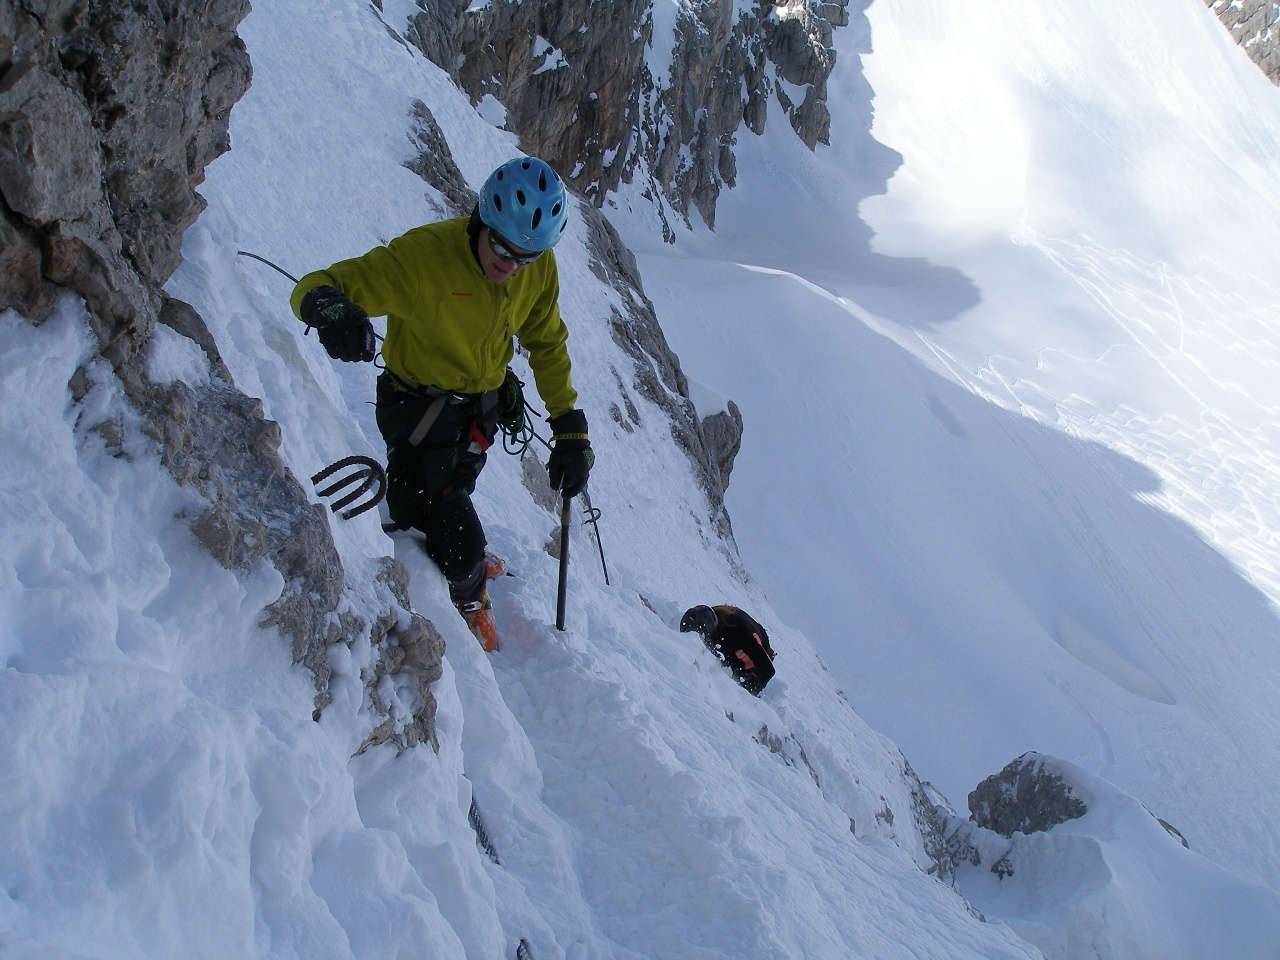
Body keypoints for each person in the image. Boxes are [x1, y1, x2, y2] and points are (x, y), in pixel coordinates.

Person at [290, 157, 593, 652]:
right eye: (501, 246)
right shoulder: (425, 259)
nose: (510, 264)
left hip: (479, 411)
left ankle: (464, 545)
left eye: (526, 256)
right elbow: (316, 286)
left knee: (454, 493)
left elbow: (547, 341)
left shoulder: (536, 270)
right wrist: (334, 312)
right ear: (483, 219)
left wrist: (569, 427)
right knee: (442, 531)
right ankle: (469, 587)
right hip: (415, 411)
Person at [680, 605, 777, 695]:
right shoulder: (710, 617)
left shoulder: (742, 637)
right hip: (736, 633)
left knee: (734, 676)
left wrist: (744, 694)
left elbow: (767, 670)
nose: (708, 645)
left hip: (756, 649)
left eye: (707, 642)